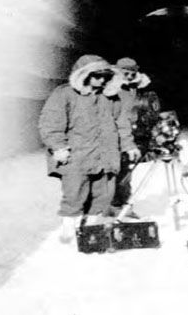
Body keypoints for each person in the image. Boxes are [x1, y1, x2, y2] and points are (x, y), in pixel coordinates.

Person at [39, 54, 141, 242]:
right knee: (75, 196)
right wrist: (58, 147)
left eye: (105, 76)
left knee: (103, 196)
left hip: (106, 156)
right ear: (84, 75)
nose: (101, 80)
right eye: (96, 75)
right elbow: (50, 123)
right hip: (77, 157)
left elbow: (121, 123)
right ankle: (69, 234)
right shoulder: (65, 94)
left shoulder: (111, 98)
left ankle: (93, 234)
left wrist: (128, 145)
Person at [108, 57, 160, 217]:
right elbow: (117, 116)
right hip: (114, 135)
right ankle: (110, 205)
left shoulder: (139, 90)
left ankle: (122, 205)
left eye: (132, 74)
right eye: (125, 73)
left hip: (132, 134)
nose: (129, 77)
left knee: (126, 172)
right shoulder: (112, 89)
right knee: (113, 172)